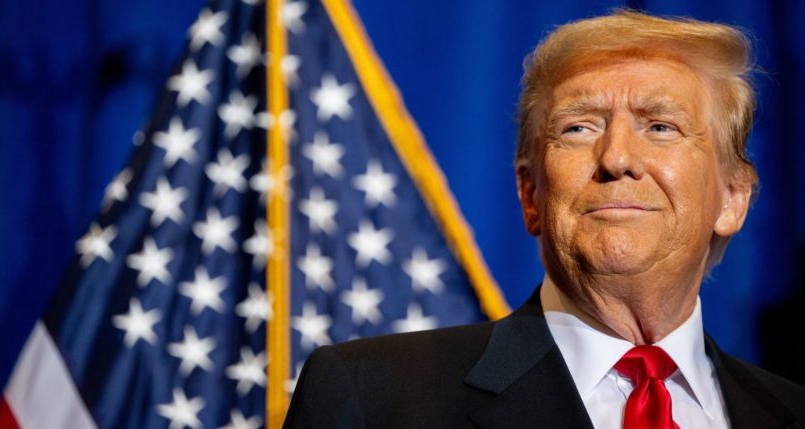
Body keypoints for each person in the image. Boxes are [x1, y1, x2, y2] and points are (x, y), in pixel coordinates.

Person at [284, 10, 805, 428]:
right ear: (530, 194)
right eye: (578, 128)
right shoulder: (372, 394)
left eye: (661, 126)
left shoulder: (788, 412)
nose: (616, 157)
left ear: (733, 199)